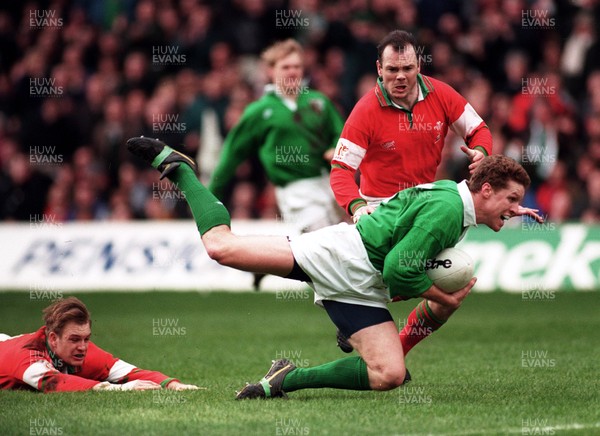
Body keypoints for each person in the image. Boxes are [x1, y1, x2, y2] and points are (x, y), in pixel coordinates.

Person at [126, 136, 543, 399]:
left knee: (389, 374)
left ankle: (283, 380)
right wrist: (439, 294)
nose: (514, 208)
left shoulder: (461, 204)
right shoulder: (449, 211)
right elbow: (399, 269)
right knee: (221, 247)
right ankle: (181, 170)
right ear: (485, 190)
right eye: (511, 199)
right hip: (340, 255)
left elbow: (402, 267)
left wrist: (509, 210)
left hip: (362, 278)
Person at [330, 30, 493, 222]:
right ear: (379, 69)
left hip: (425, 203)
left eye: (407, 68)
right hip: (380, 209)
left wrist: (481, 151)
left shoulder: (442, 94)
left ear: (419, 66)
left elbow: (478, 129)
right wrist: (357, 206)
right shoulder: (364, 112)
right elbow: (340, 170)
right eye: (392, 69)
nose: (400, 76)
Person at [209, 39, 345, 234]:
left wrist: (336, 148)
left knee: (346, 240)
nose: (292, 71)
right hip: (296, 191)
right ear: (271, 71)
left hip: (331, 182)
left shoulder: (318, 101)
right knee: (321, 239)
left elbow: (341, 134)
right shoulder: (259, 110)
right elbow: (231, 154)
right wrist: (210, 196)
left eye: (297, 66)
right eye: (286, 67)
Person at [0, 297, 199, 392]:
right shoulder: (26, 355)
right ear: (53, 338)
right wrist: (121, 390)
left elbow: (130, 373)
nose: (83, 346)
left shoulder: (84, 352)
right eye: (74, 339)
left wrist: (173, 384)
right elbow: (53, 383)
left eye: (86, 338)